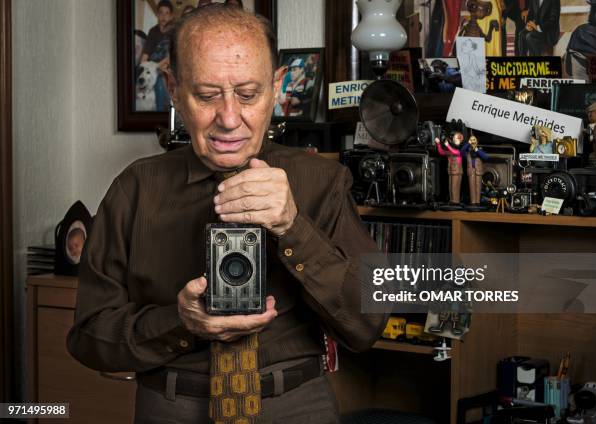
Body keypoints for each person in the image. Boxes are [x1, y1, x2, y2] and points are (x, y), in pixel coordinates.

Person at [67, 5, 385, 423]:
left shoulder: (323, 181)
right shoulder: (136, 189)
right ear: (174, 89)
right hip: (172, 406)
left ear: (277, 87)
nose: (229, 119)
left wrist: (293, 227)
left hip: (296, 406)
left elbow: (368, 324)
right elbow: (88, 336)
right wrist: (178, 324)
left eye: (248, 95)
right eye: (206, 95)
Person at [140, 0, 175, 111]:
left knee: (160, 82)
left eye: (167, 13)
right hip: (151, 66)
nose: (163, 16)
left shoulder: (174, 31)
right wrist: (142, 67)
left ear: (171, 16)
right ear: (157, 14)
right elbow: (145, 54)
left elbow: (171, 56)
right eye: (161, 13)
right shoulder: (153, 31)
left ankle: (161, 115)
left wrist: (156, 67)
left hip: (165, 66)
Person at [435, 129, 464, 205]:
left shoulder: (459, 151)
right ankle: (452, 200)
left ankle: (455, 201)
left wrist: (447, 145)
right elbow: (441, 152)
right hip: (451, 171)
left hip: (457, 171)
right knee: (450, 187)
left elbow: (455, 152)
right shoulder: (450, 151)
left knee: (455, 187)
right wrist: (438, 144)